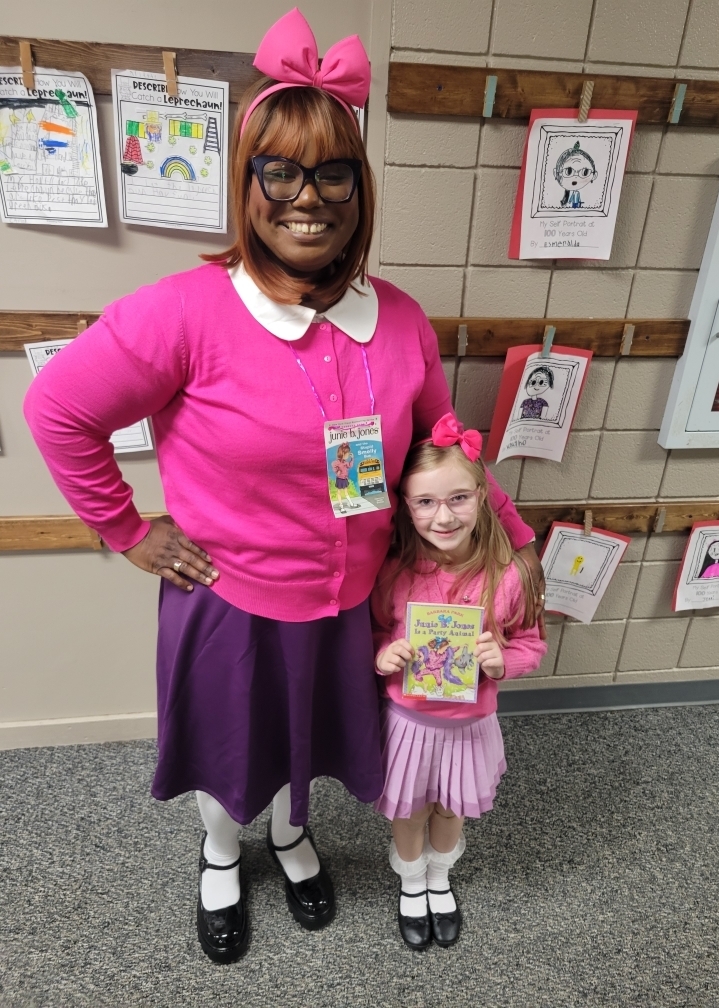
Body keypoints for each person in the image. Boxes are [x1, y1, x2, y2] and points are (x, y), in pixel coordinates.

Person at [24, 9, 544, 965]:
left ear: (359, 189)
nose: (309, 198)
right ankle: (224, 854)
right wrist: (126, 528)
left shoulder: (396, 319)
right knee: (237, 749)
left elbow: (443, 445)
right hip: (234, 601)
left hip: (353, 599)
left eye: (332, 173)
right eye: (282, 172)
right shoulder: (183, 312)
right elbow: (59, 408)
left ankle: (295, 836)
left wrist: (510, 536)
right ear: (249, 183)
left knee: (307, 738)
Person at [372, 415, 546, 949]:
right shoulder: (394, 571)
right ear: (405, 505)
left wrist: (501, 662)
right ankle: (410, 884)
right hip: (409, 723)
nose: (442, 516)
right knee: (410, 808)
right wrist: (383, 654)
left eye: (458, 499)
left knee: (451, 807)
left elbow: (532, 646)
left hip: (471, 725)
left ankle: (440, 878)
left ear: (482, 496)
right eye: (425, 502)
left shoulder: (508, 574)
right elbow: (372, 632)